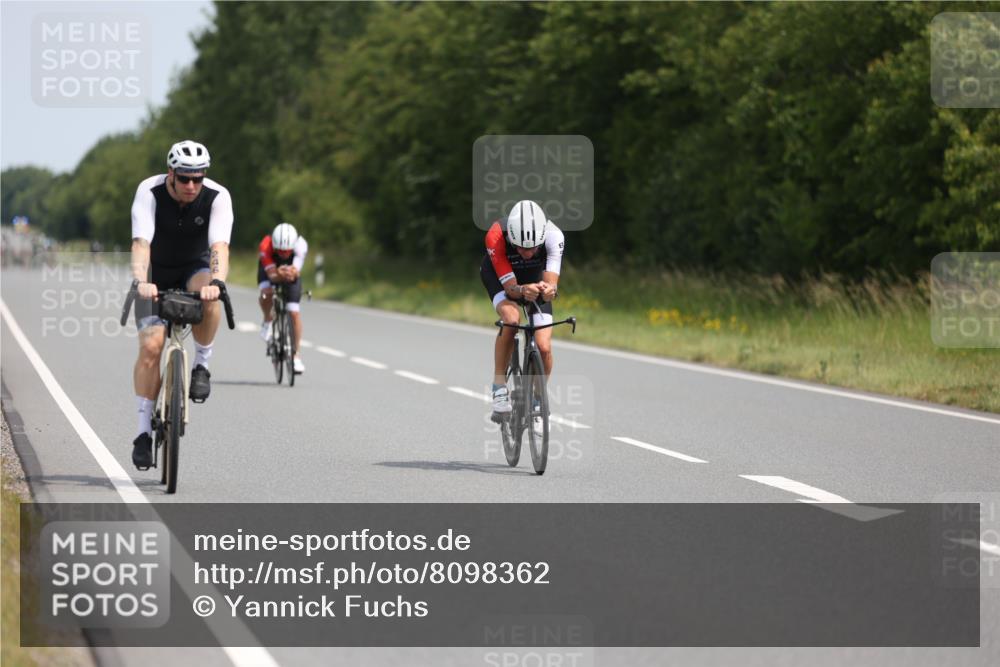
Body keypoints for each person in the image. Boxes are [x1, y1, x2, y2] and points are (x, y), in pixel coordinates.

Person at [129, 140, 233, 469]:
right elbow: (141, 242)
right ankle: (144, 432)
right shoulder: (150, 190)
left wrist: (217, 282)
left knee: (210, 292)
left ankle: (202, 364)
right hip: (154, 274)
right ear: (171, 173)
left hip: (194, 269)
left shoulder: (217, 196)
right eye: (185, 178)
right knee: (151, 347)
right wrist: (140, 280)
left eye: (197, 179)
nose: (191, 185)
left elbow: (219, 246)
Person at [480, 200, 564, 418]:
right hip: (500, 278)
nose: (527, 253)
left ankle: (538, 398)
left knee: (544, 347)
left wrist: (548, 290)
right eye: (520, 248)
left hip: (535, 278)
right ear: (511, 238)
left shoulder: (554, 237)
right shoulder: (495, 236)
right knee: (512, 317)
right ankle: (499, 386)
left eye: (533, 248)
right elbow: (511, 289)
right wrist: (521, 290)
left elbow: (551, 284)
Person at [257, 222, 308, 374]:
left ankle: (296, 356)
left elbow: (295, 272)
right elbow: (272, 275)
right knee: (267, 292)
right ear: (274, 245)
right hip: (270, 269)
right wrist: (278, 273)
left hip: (289, 272)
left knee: (294, 312)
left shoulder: (301, 245)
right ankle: (267, 320)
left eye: (287, 252)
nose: (284, 254)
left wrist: (290, 272)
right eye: (280, 251)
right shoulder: (265, 246)